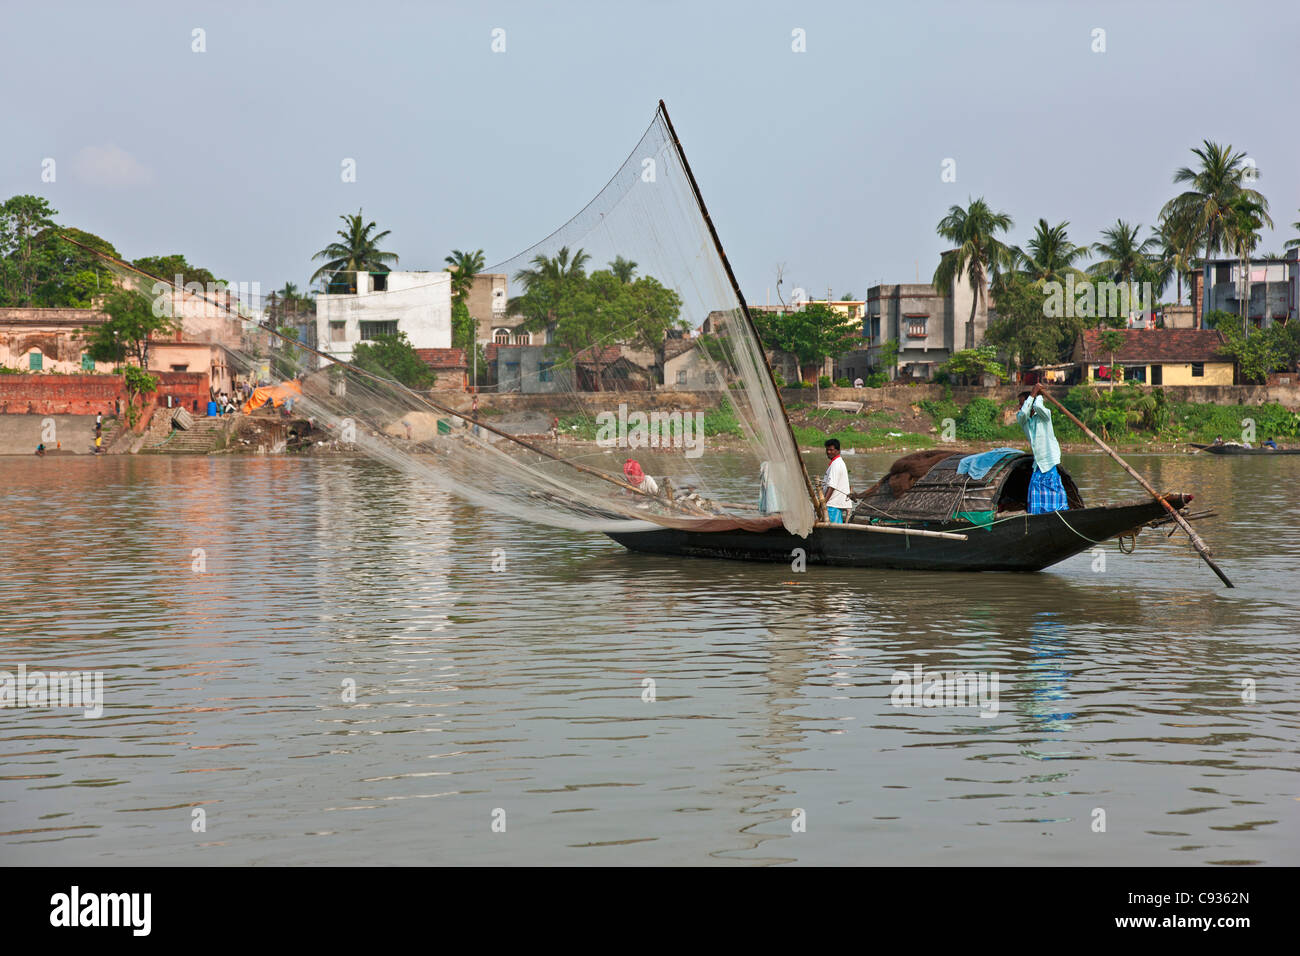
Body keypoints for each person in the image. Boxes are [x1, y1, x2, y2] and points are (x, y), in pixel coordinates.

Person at [1017, 383, 1067, 514]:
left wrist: (1037, 394)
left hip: (1049, 460)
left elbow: (1038, 406)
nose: (1019, 406)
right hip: (1038, 463)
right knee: (1035, 491)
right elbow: (1023, 413)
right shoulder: (1023, 419)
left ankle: (1058, 513)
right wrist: (1033, 393)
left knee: (1053, 489)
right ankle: (1038, 516)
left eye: (1021, 403)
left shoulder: (1045, 416)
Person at [821, 438, 852, 523]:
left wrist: (823, 503)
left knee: (834, 530)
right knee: (837, 527)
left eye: (831, 450)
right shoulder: (838, 462)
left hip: (832, 505)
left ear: (838, 450)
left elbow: (832, 486)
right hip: (835, 504)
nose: (828, 452)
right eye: (827, 450)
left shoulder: (836, 464)